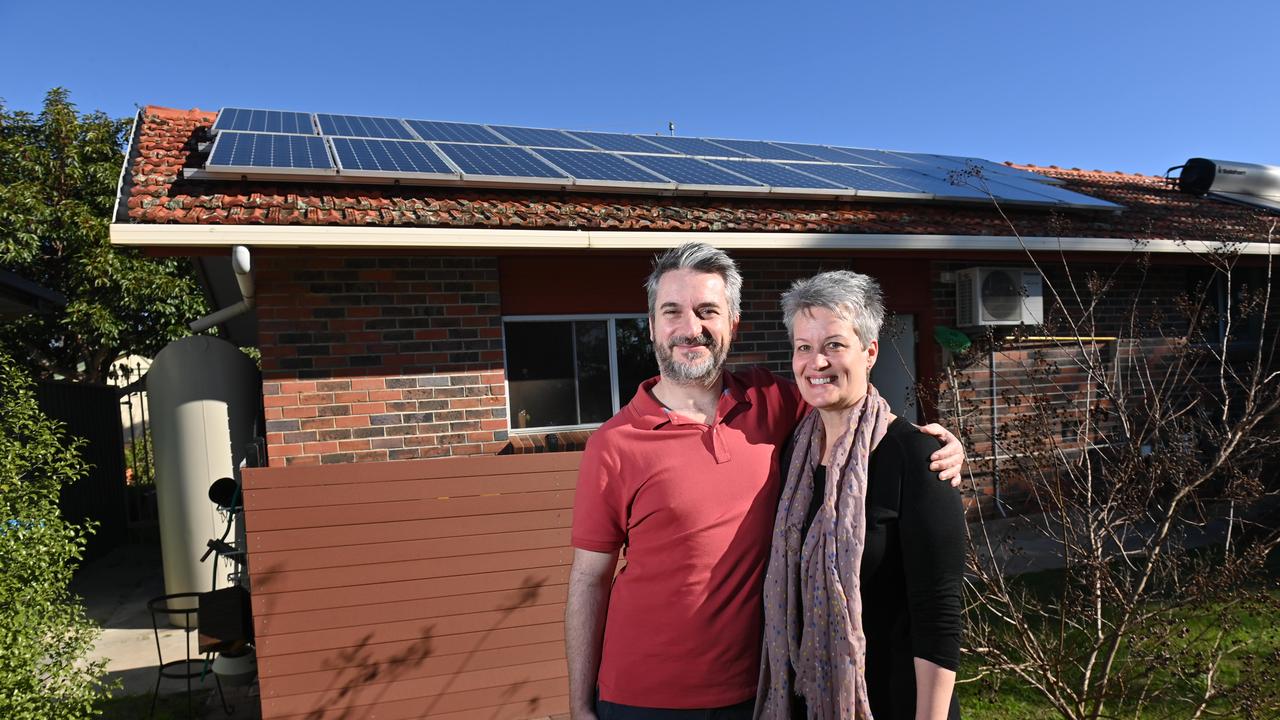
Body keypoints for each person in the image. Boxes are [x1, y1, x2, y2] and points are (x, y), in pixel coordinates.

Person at [567, 244, 965, 720]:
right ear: (652, 325)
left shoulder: (773, 404)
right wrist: (579, 704)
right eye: (671, 311)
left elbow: (853, 413)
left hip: (757, 693)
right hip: (640, 698)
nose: (690, 328)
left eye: (707, 311)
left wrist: (939, 445)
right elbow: (590, 580)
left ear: (732, 324)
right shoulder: (613, 445)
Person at [756, 271, 964, 720]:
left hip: (895, 703)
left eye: (834, 344)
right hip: (806, 703)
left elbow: (939, 613)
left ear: (869, 352)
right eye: (804, 347)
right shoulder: (793, 453)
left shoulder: (917, 456)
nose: (817, 362)